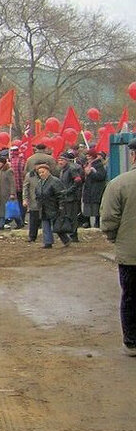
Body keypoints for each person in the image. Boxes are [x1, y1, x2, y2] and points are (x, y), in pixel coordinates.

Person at [100, 139, 136, 355]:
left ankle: (132, 341)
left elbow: (109, 219)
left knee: (131, 297)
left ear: (133, 155)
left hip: (131, 254)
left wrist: (115, 238)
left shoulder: (119, 184)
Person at [32, 162, 71, 248]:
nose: (41, 174)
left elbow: (61, 194)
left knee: (57, 226)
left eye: (43, 172)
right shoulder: (40, 182)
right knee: (45, 225)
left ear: (48, 171)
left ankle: (66, 240)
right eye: (40, 173)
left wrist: (61, 206)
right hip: (44, 206)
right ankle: (48, 242)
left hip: (54, 206)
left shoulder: (55, 181)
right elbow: (37, 194)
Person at [82, 149, 108, 228]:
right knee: (87, 206)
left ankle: (97, 222)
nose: (88, 157)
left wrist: (90, 173)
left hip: (96, 189)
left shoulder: (99, 165)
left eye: (89, 156)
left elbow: (101, 176)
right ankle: (87, 222)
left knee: (96, 206)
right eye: (87, 156)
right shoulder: (87, 164)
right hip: (88, 188)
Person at [0, 156, 19, 230]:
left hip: (7, 193)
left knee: (11, 209)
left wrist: (12, 193)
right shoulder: (0, 170)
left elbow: (12, 183)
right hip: (1, 193)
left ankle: (19, 222)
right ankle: (1, 225)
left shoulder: (9, 171)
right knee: (1, 210)